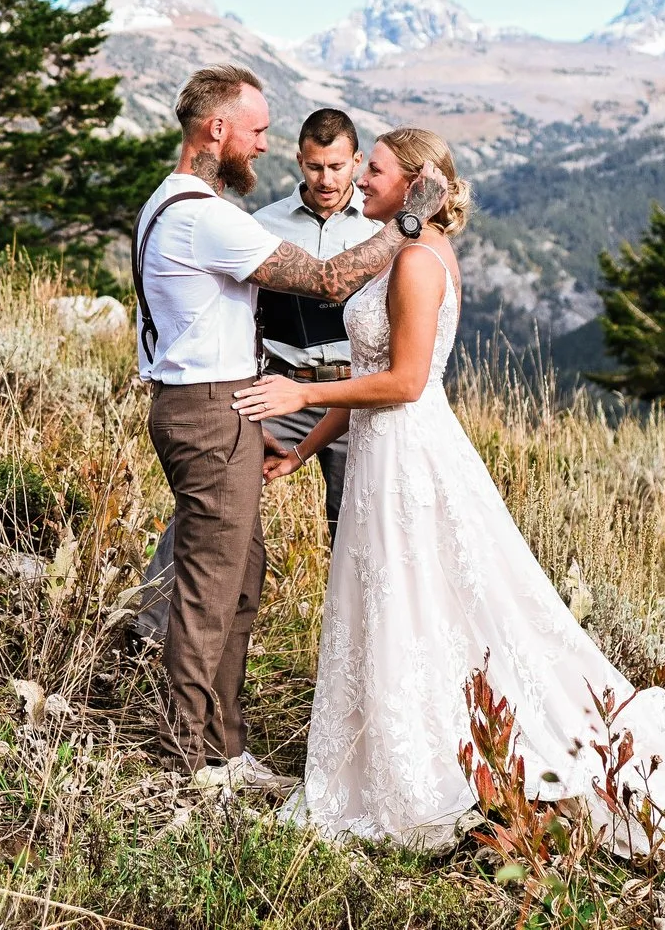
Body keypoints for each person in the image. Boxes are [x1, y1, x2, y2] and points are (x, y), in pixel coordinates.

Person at [236, 129, 665, 879]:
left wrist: (302, 391)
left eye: (373, 168)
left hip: (410, 456)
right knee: (403, 603)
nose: (361, 179)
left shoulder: (414, 260)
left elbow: (405, 381)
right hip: (381, 450)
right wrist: (305, 445)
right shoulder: (400, 249)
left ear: (415, 184)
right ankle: (405, 742)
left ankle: (426, 767)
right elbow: (372, 368)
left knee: (427, 600)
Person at [134, 68, 447, 790]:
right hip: (210, 408)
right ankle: (188, 759)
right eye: (257, 130)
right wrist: (407, 223)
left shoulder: (170, 203)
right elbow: (330, 282)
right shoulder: (202, 213)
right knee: (211, 587)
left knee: (241, 575)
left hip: (221, 404)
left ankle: (225, 745)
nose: (264, 145)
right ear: (216, 129)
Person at [131, 108, 376, 642]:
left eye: (338, 167)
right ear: (301, 161)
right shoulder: (259, 223)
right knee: (216, 497)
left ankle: (355, 644)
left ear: (356, 162)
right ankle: (148, 626)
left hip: (351, 387)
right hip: (280, 385)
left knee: (356, 519)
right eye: (315, 166)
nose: (326, 179)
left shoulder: (379, 224)